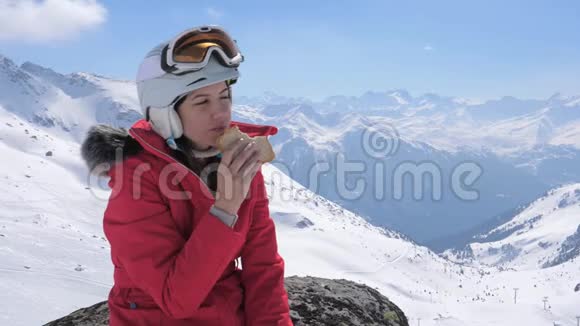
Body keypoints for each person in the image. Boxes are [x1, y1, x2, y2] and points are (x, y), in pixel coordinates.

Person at [81, 25, 292, 325]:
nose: (220, 113)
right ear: (167, 114)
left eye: (224, 96)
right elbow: (175, 299)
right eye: (202, 102)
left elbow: (263, 268)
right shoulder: (136, 181)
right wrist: (226, 208)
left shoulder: (238, 163)